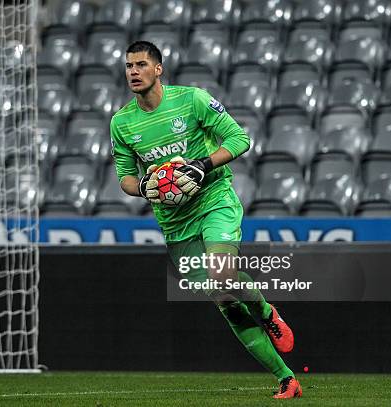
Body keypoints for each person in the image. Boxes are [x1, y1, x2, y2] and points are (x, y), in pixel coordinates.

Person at [109, 40, 302, 399]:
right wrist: (146, 186)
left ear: (158, 69)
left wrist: (202, 165)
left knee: (221, 273)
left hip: (214, 201)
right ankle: (287, 378)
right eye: (128, 66)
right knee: (224, 297)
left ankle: (265, 310)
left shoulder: (192, 99)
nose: (133, 72)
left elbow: (239, 138)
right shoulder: (122, 122)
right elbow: (124, 178)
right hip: (175, 223)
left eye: (140, 65)